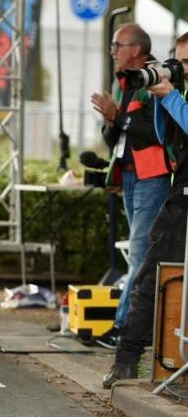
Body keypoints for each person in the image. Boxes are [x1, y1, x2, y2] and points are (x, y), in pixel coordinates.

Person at [102, 31, 188, 388]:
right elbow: (164, 136)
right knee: (150, 276)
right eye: (180, 61)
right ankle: (126, 360)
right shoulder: (180, 93)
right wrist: (163, 94)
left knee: (152, 270)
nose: (182, 69)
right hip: (180, 194)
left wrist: (170, 96)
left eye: (187, 63)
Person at [91, 23, 170, 349]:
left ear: (136, 48)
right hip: (130, 175)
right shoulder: (120, 81)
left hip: (153, 176)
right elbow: (114, 138)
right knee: (138, 253)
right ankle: (131, 328)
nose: (112, 51)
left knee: (139, 253)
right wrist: (111, 120)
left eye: (117, 45)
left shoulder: (158, 76)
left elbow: (159, 132)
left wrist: (118, 116)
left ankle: (124, 329)